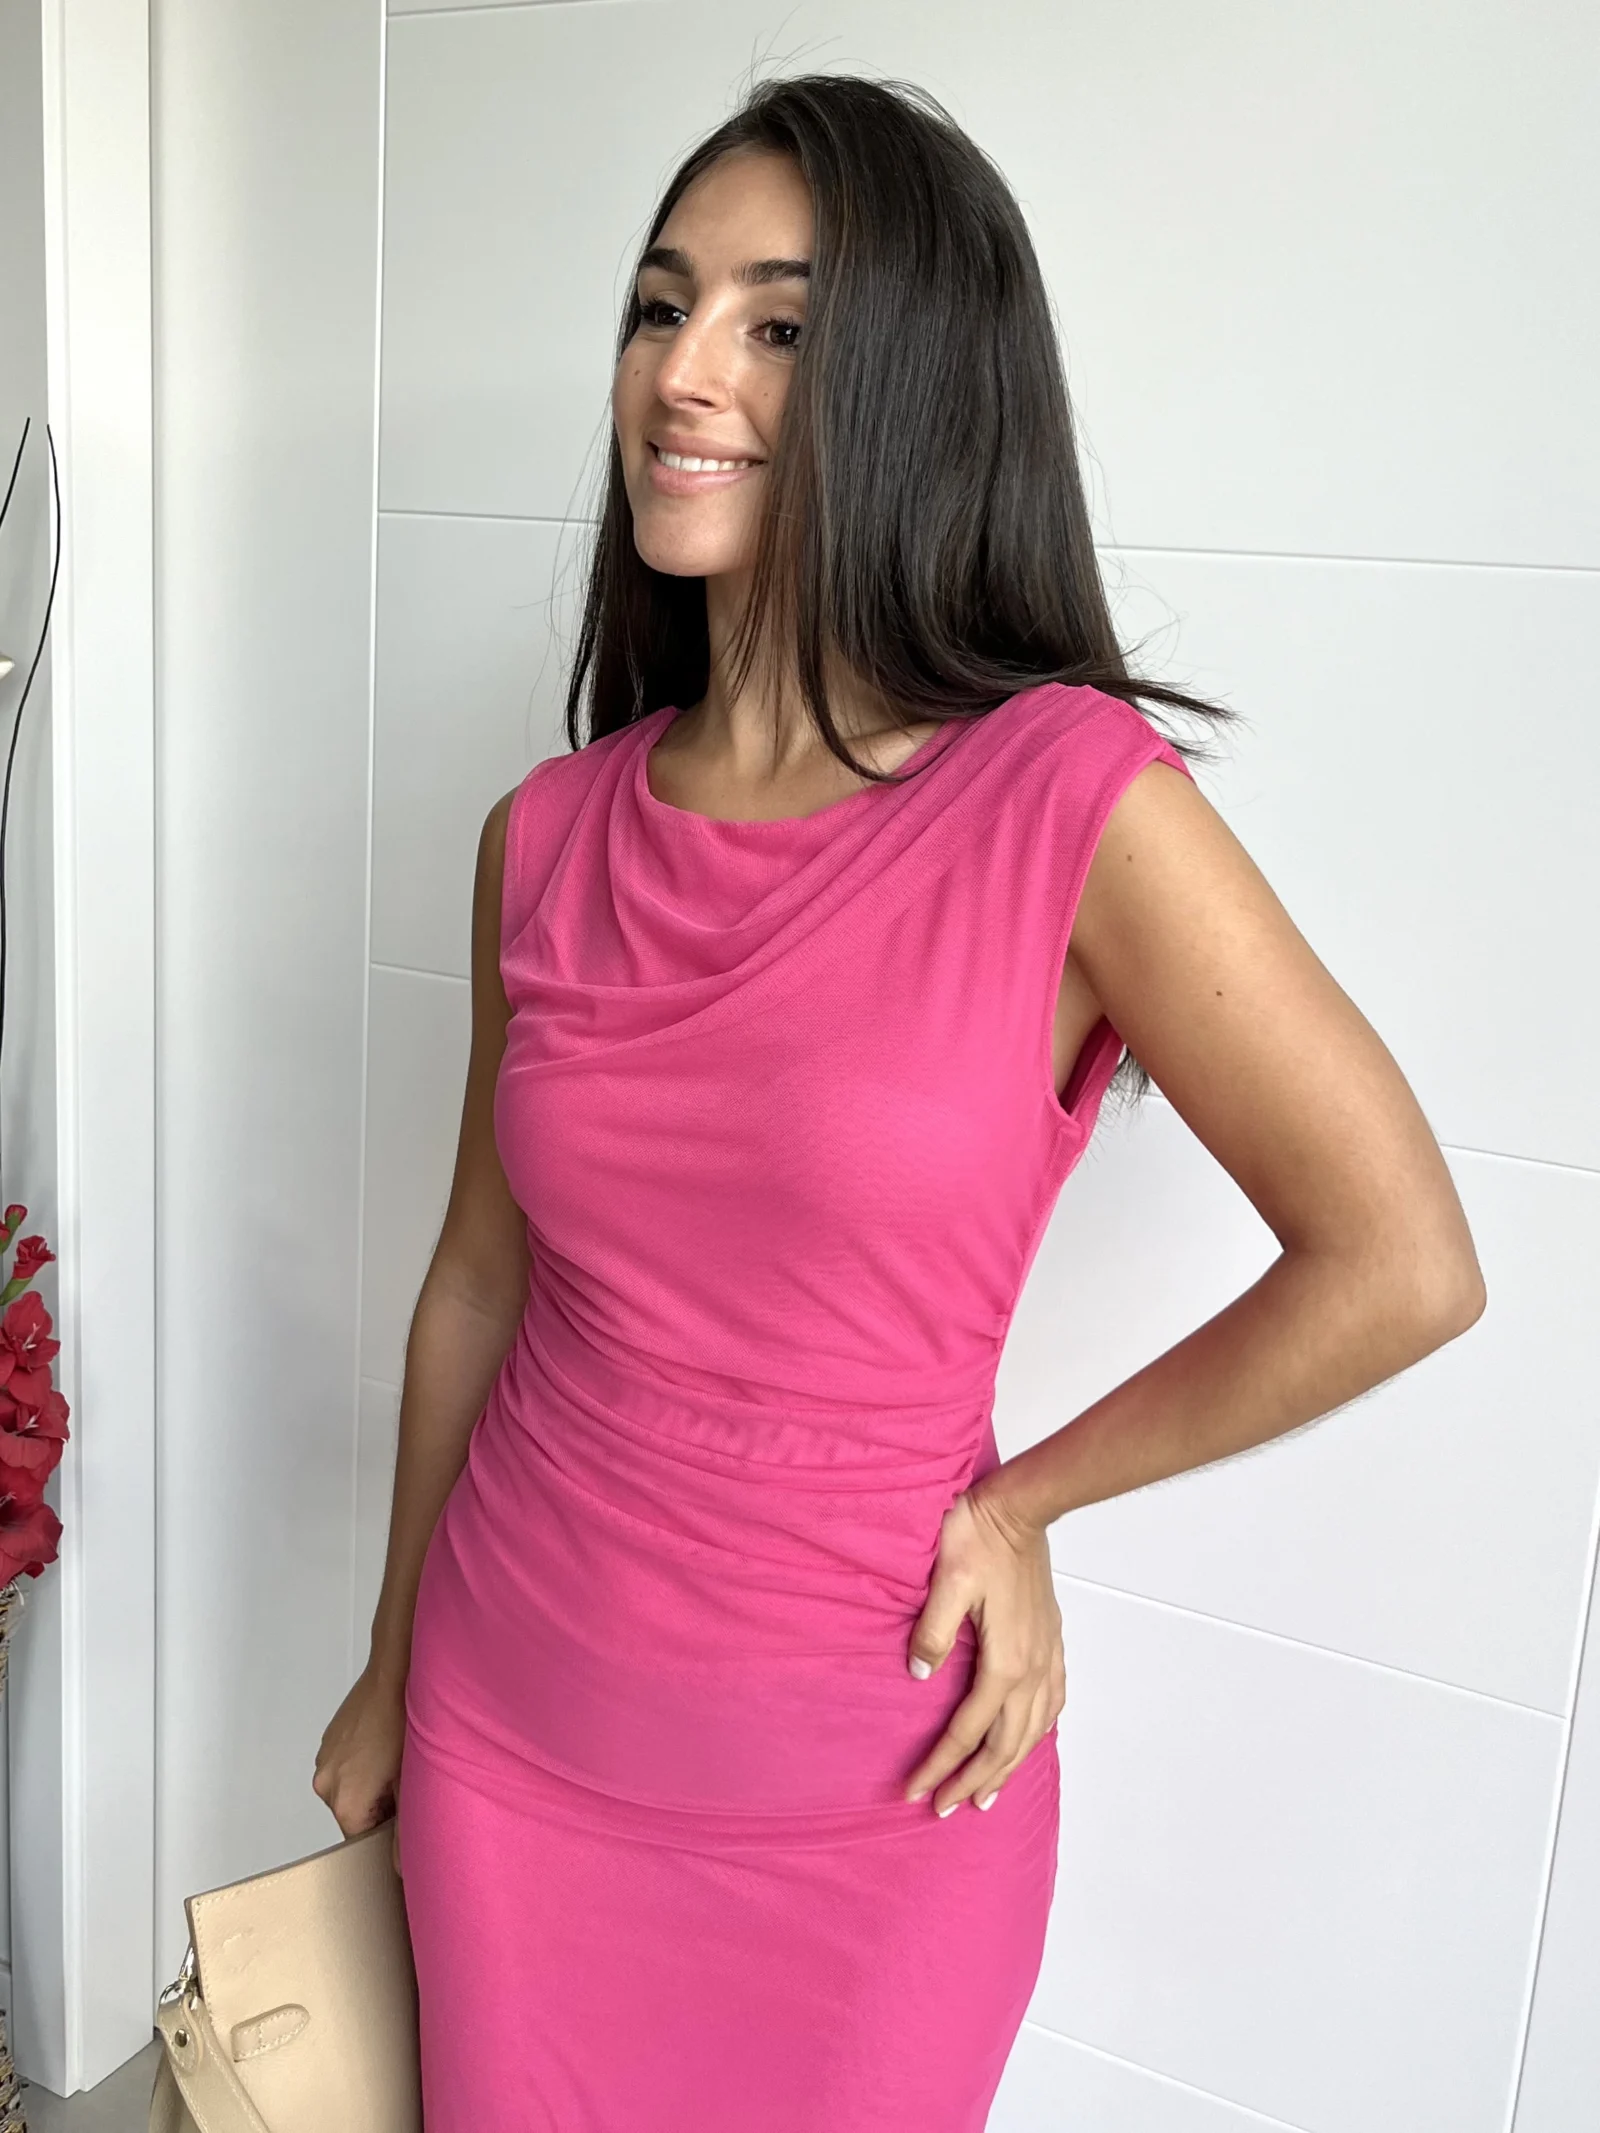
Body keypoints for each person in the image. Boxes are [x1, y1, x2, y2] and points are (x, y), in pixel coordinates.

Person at [313, 72, 1485, 2133]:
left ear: (921, 390)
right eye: (659, 305)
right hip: (514, 1747)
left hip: (867, 1808)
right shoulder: (547, 835)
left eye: (777, 324)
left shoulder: (1069, 799)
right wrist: (394, 1656)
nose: (682, 372)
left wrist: (1025, 1503)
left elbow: (1399, 1260)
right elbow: (477, 1286)